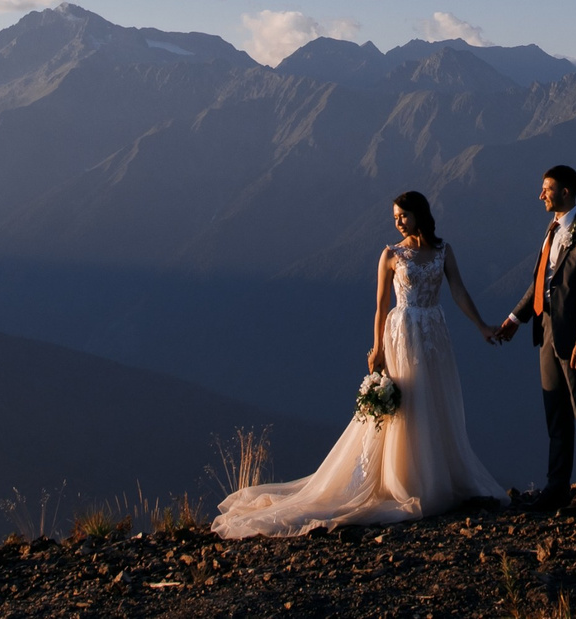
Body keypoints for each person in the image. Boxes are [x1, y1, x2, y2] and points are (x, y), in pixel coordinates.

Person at [215, 190, 506, 535]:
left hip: (434, 331)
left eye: (403, 215)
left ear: (419, 214)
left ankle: (438, 476)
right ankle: (408, 479)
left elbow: (458, 290)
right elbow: (381, 306)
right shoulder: (391, 254)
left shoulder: (443, 250)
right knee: (408, 401)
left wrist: (481, 326)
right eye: (395, 217)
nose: (398, 222)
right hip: (403, 332)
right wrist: (377, 348)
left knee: (435, 398)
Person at [489, 164, 576, 512]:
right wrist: (516, 318)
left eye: (547, 189)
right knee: (555, 414)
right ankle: (556, 488)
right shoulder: (552, 230)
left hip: (574, 338)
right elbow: (542, 281)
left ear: (565, 192)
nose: (541, 195)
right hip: (546, 331)